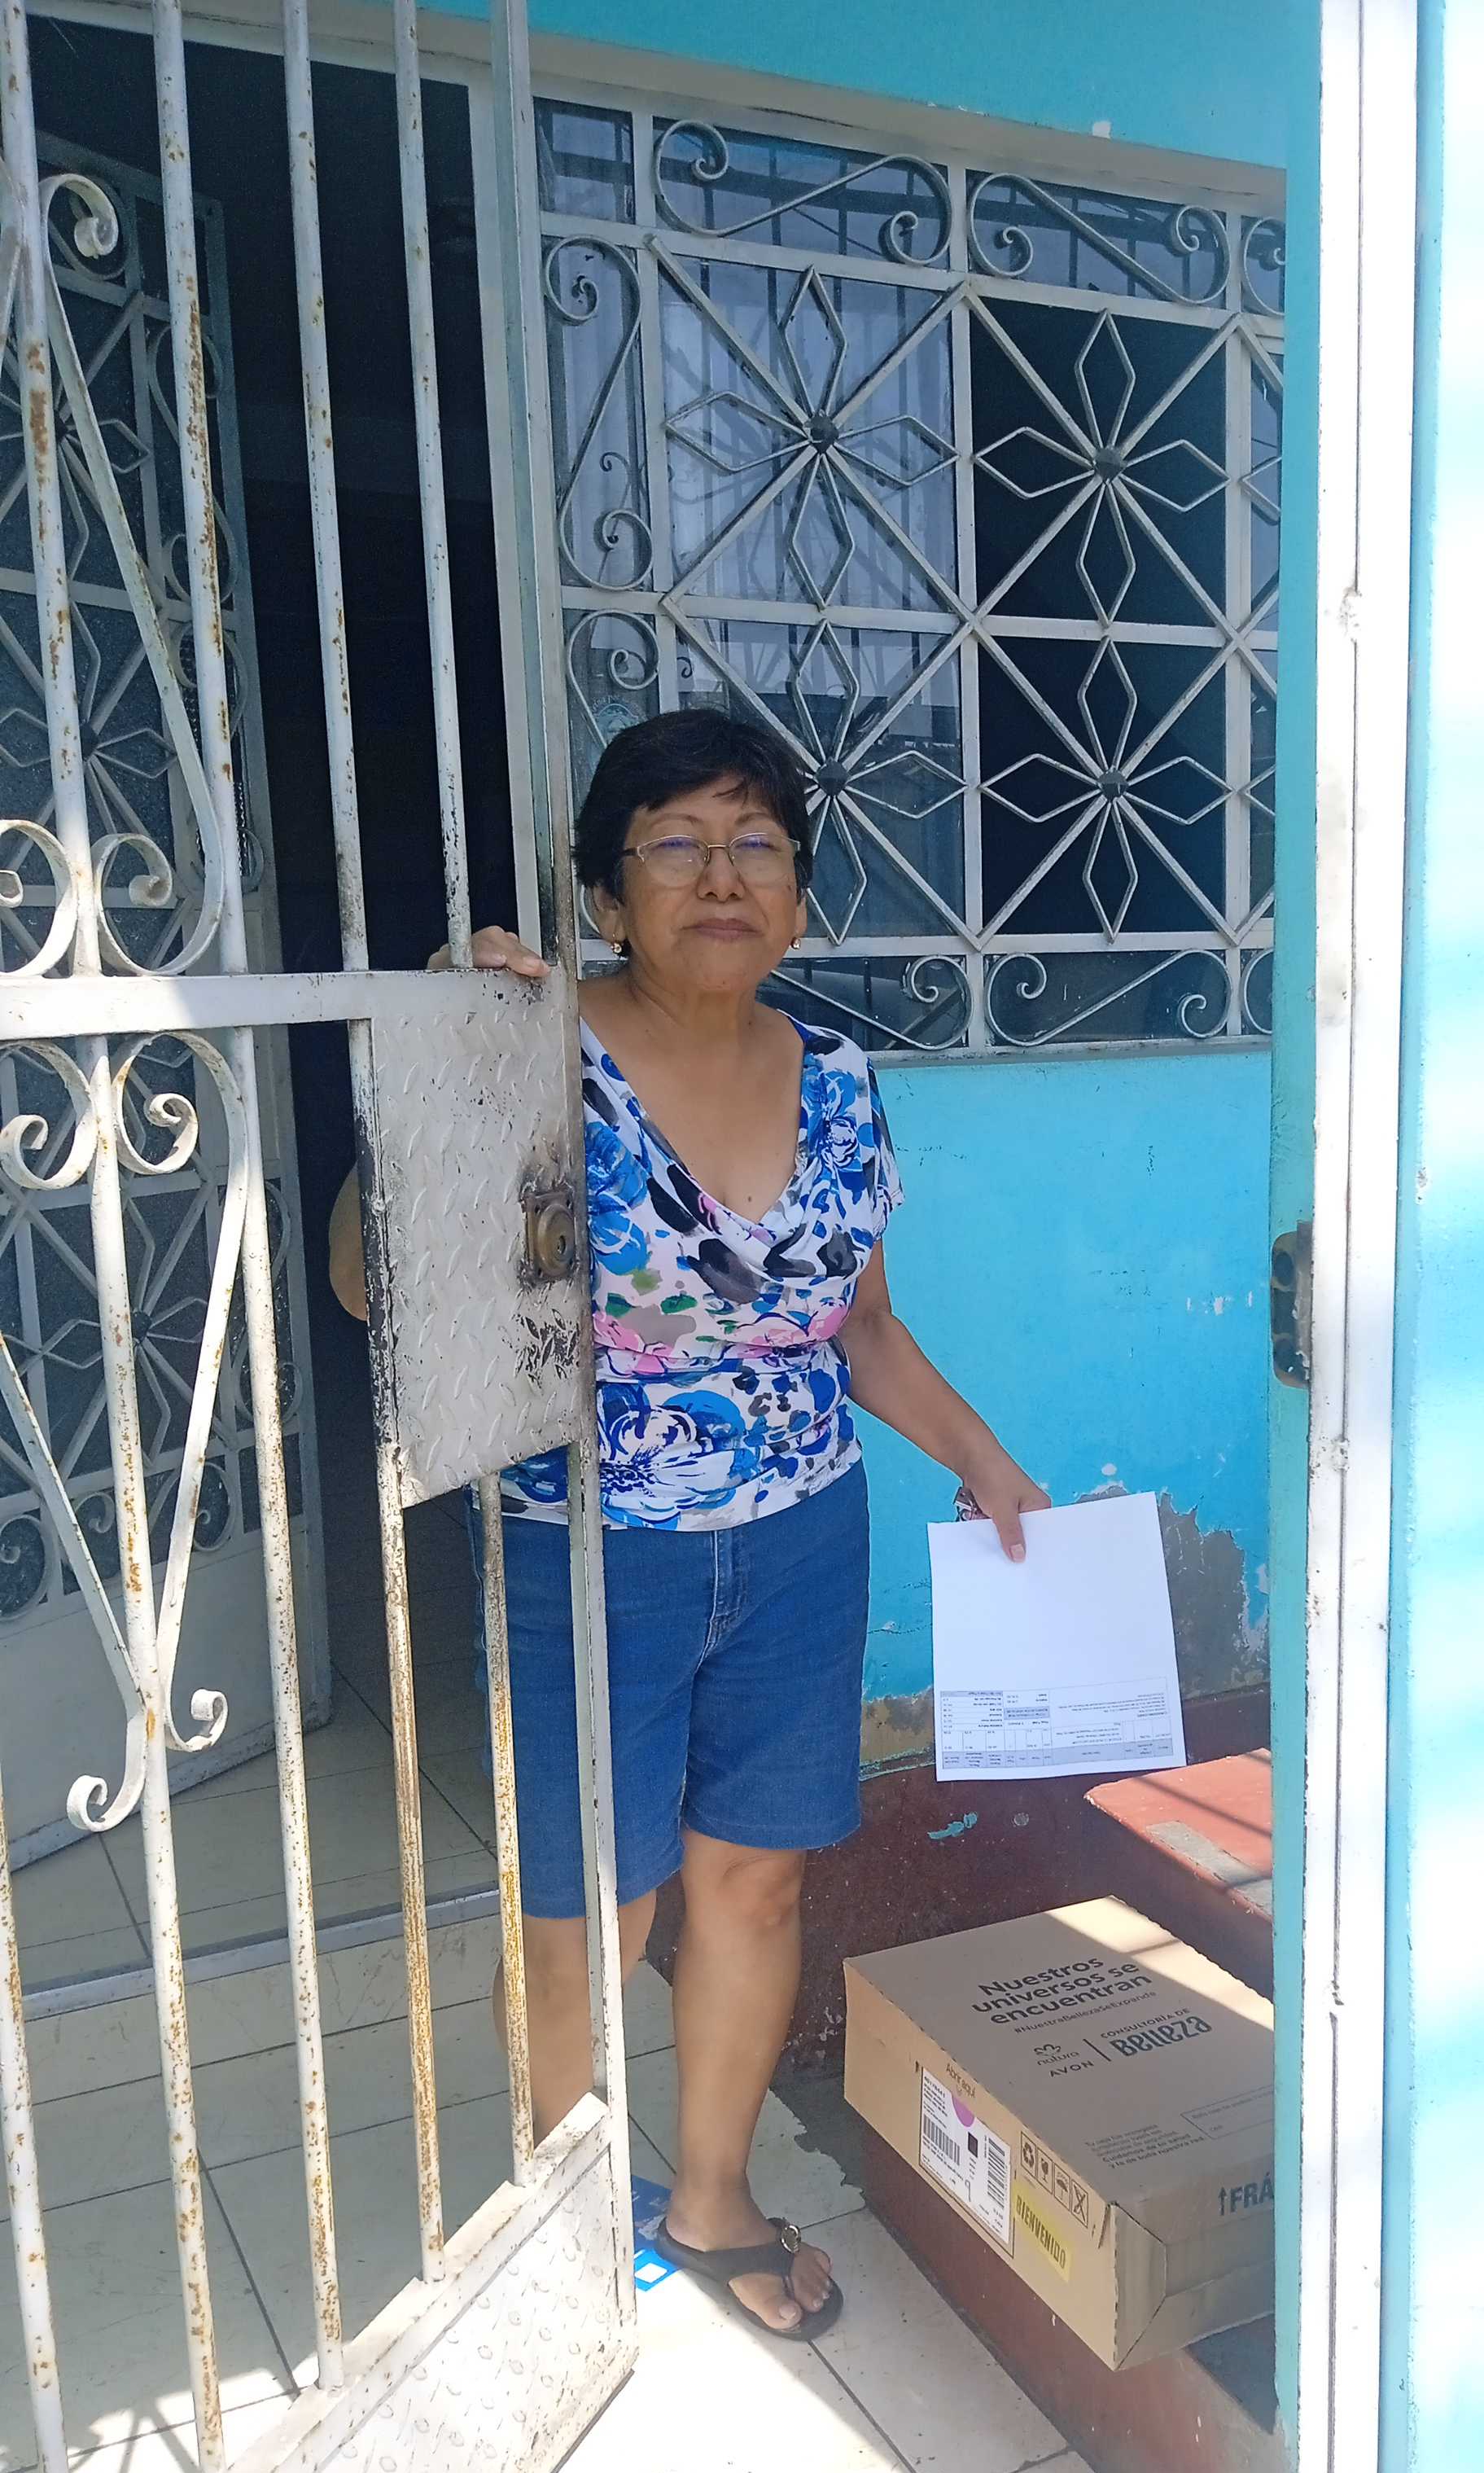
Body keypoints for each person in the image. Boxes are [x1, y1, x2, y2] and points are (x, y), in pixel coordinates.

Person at [328, 708, 1046, 2338]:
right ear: (606, 894)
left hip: (802, 1542)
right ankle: (567, 2223)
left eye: (758, 845)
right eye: (675, 843)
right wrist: (443, 1074)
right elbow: (371, 1288)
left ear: (797, 895)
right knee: (595, 1912)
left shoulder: (842, 1081)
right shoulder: (534, 1057)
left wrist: (987, 1462)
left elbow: (861, 1327)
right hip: (586, 1554)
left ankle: (711, 2200)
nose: (722, 876)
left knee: (756, 1887)